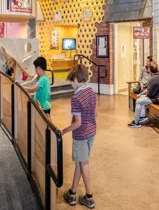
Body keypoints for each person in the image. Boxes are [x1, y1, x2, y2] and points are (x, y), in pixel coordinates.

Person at [62, 64, 97, 209]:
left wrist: (63, 131)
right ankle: (72, 192)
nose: (70, 84)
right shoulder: (91, 92)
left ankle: (89, 197)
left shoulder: (76, 97)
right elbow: (95, 114)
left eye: (71, 81)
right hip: (91, 132)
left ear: (76, 78)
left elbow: (77, 123)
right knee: (79, 162)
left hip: (80, 135)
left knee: (84, 164)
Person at [128, 61, 159, 128]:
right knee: (140, 98)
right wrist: (141, 94)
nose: (147, 70)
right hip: (158, 97)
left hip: (158, 99)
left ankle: (136, 123)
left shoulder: (153, 79)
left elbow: (149, 94)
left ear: (150, 70)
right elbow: (149, 90)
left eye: (148, 68)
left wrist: (143, 95)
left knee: (138, 101)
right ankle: (142, 117)